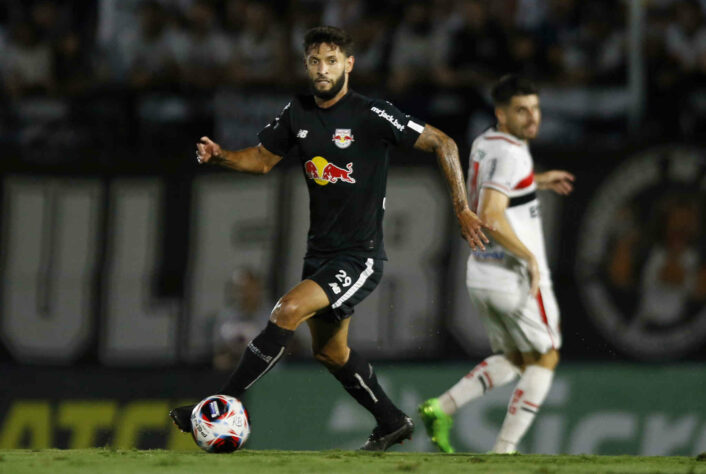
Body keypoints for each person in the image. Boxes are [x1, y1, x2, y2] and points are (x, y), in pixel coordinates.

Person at [170, 25, 490, 451]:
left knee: (287, 311)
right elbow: (263, 159)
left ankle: (219, 402)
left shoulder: (371, 114)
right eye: (315, 62)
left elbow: (444, 142)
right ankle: (392, 421)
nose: (323, 70)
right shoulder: (298, 112)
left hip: (360, 256)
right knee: (330, 353)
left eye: (332, 61)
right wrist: (222, 155)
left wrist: (462, 207)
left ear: (349, 65)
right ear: (307, 65)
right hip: (319, 254)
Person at [419, 75, 575, 454]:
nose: (532, 117)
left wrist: (537, 181)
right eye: (522, 110)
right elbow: (490, 214)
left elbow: (496, 187)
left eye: (535, 108)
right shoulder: (513, 152)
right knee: (546, 358)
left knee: (517, 358)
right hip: (513, 275)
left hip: (482, 273)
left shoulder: (486, 143)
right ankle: (504, 451)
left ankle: (441, 407)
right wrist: (529, 258)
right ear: (501, 114)